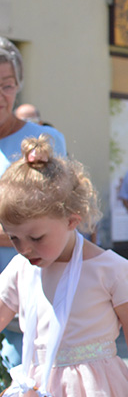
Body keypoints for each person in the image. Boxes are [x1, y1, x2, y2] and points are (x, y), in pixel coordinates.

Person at [0, 136, 128, 397]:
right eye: (14, 238)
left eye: (36, 238)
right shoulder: (21, 269)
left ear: (73, 219)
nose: (25, 249)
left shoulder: (110, 270)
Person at [0, 37, 67, 271]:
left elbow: (55, 221)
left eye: (7, 85)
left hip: (30, 279)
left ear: (18, 86)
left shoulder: (44, 141)